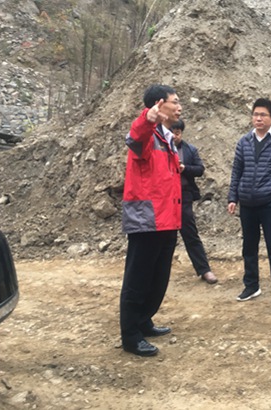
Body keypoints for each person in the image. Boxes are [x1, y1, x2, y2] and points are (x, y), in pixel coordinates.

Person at [120, 84, 182, 357]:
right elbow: (135, 137)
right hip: (147, 221)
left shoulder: (167, 138)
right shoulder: (147, 134)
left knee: (157, 278)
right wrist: (146, 118)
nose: (179, 107)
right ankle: (130, 336)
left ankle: (144, 320)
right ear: (159, 104)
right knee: (138, 280)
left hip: (167, 220)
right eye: (175, 101)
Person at [227, 98, 271, 310]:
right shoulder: (244, 142)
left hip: (270, 204)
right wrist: (233, 197)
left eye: (263, 115)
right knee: (249, 246)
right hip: (247, 203)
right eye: (256, 114)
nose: (258, 118)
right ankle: (251, 285)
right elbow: (237, 170)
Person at [171, 119, 218, 285]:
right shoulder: (160, 148)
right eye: (172, 133)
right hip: (165, 197)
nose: (175, 136)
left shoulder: (190, 150)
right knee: (163, 237)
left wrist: (185, 168)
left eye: (177, 133)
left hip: (184, 196)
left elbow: (200, 169)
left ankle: (204, 269)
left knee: (190, 233)